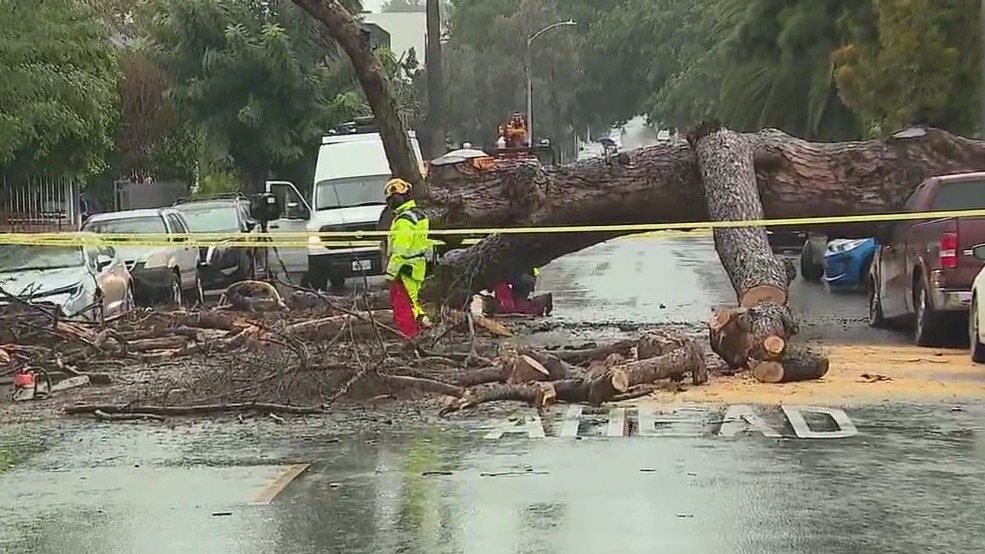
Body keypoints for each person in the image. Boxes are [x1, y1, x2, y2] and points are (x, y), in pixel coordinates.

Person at [383, 178, 432, 338]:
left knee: (404, 307)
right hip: (417, 266)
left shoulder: (403, 221)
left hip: (403, 269)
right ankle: (424, 327)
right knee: (414, 302)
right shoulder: (419, 215)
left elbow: (400, 250)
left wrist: (390, 273)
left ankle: (411, 338)